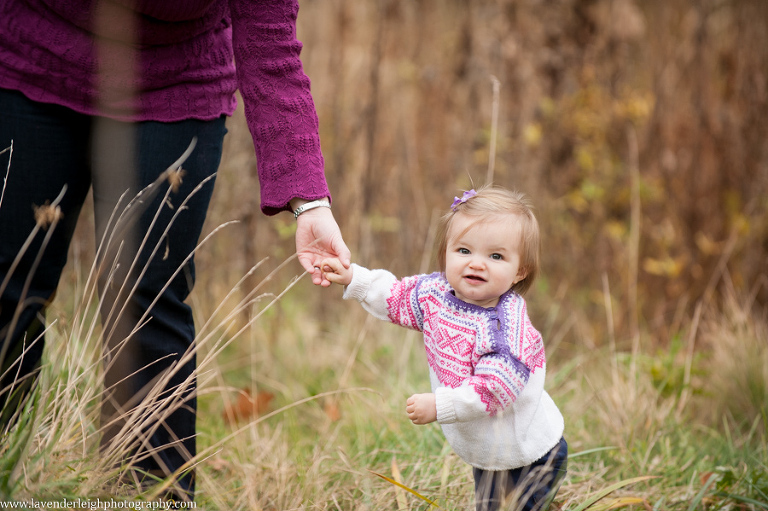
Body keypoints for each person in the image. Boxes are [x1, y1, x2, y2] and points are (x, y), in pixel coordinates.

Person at [0, 0, 350, 501]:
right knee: (9, 283)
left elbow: (270, 44)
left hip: (173, 82)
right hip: (31, 55)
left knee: (146, 298)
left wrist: (308, 201)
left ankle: (147, 495)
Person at [321, 186, 566, 511]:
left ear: (520, 270)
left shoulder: (506, 326)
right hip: (488, 450)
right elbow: (396, 296)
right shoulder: (436, 294)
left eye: (496, 256)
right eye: (464, 250)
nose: (477, 264)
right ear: (446, 252)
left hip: (531, 452)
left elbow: (495, 388)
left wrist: (441, 405)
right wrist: (354, 278)